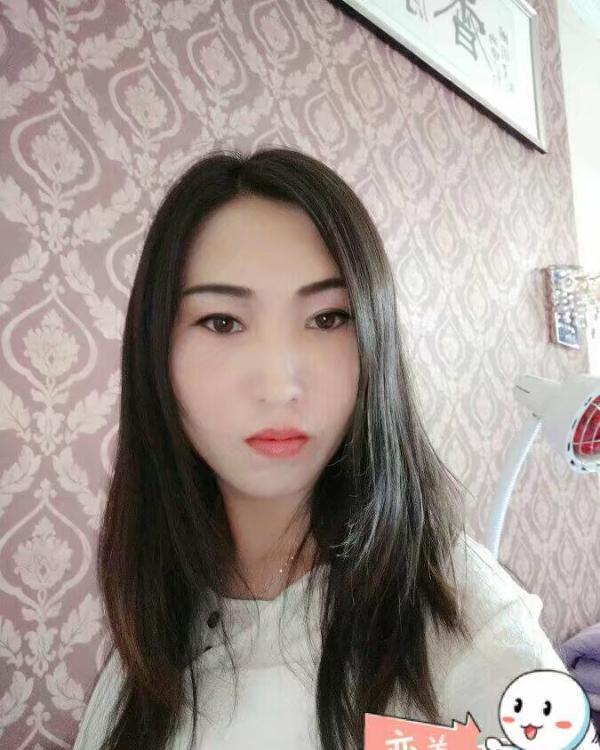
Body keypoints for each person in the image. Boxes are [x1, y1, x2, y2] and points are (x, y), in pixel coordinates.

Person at [72, 146, 591, 750]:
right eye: (222, 322)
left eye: (327, 318)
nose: (278, 387)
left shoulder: (463, 625)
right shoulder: (157, 618)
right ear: (156, 351)